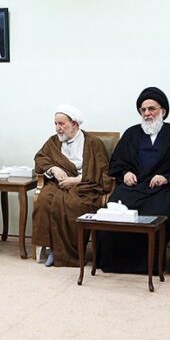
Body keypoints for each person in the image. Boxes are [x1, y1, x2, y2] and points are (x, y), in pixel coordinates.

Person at [96, 87, 170, 274]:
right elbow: (116, 163)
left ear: (163, 111)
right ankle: (114, 263)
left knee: (158, 214)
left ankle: (150, 265)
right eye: (143, 110)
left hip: (160, 189)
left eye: (151, 109)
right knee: (115, 212)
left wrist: (166, 177)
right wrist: (125, 173)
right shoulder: (131, 133)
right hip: (132, 187)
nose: (147, 113)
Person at [32, 104, 113, 267]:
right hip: (58, 184)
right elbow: (40, 159)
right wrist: (53, 169)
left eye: (62, 124)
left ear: (74, 124)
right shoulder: (53, 142)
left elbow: (102, 173)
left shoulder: (93, 143)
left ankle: (67, 253)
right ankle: (52, 248)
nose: (58, 128)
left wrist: (76, 180)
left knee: (73, 204)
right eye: (56, 123)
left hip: (85, 186)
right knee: (44, 200)